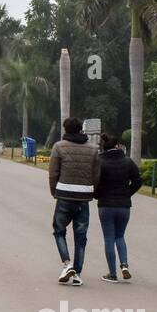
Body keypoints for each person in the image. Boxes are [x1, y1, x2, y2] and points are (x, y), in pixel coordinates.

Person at [48, 116, 100, 286]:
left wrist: (54, 191)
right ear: (80, 129)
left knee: (59, 231)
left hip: (64, 194)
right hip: (83, 196)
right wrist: (92, 190)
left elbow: (53, 172)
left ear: (65, 129)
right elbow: (96, 175)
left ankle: (67, 263)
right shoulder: (93, 149)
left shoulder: (59, 147)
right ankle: (77, 274)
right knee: (81, 236)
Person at [96, 132, 142, 282]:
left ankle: (112, 274)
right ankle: (124, 264)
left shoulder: (100, 162)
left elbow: (94, 181)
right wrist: (127, 193)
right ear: (117, 146)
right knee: (120, 236)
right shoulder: (127, 162)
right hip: (124, 205)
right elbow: (138, 181)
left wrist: (98, 194)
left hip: (106, 205)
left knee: (109, 238)